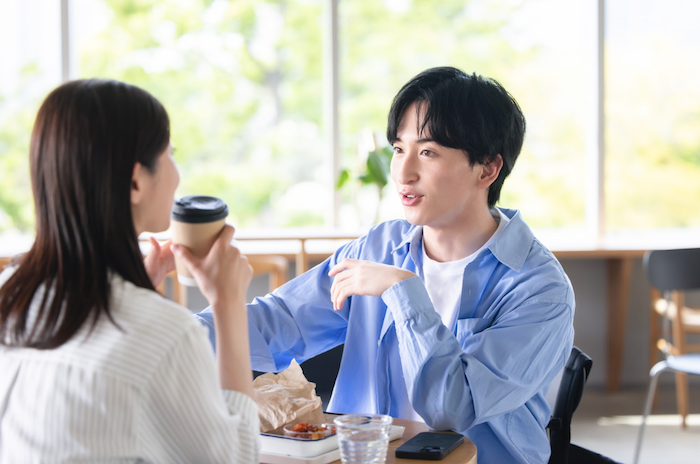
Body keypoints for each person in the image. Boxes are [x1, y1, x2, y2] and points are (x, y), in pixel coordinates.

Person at [197, 66, 575, 464]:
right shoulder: (380, 247)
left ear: (487, 169)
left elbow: (451, 408)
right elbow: (280, 321)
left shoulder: (540, 289)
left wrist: (402, 291)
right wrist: (172, 333)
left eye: (428, 152)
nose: (403, 173)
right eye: (398, 149)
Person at [0, 79, 260, 463]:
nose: (177, 175)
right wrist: (229, 303)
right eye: (170, 154)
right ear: (136, 181)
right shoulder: (166, 333)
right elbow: (236, 457)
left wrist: (133, 288)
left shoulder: (11, 294)